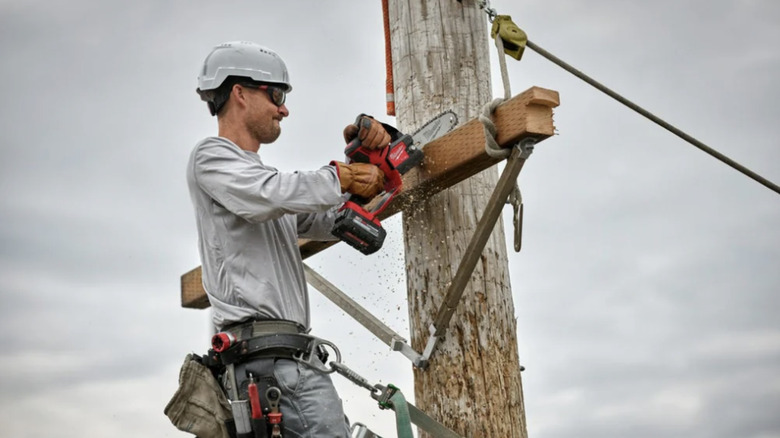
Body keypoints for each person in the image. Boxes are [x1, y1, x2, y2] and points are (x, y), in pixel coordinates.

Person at [186, 41, 392, 438]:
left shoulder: (258, 185)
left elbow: (322, 217)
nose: (284, 108)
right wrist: (342, 176)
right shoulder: (212, 158)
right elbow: (276, 192)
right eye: (277, 95)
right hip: (273, 363)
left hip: (283, 362)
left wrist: (365, 168)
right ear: (239, 93)